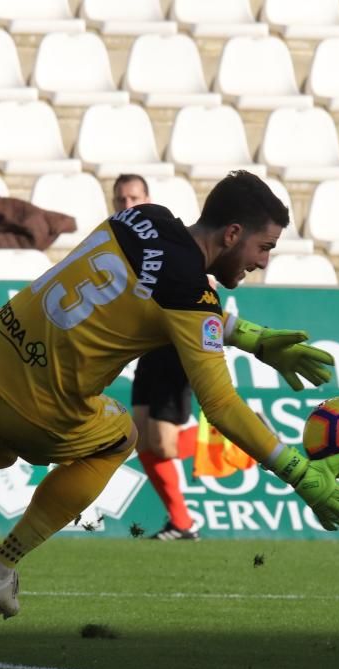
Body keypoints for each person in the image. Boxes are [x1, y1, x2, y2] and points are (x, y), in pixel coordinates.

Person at [0, 170, 339, 666]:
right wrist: (300, 474)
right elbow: (220, 404)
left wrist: (254, 337)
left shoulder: (142, 218)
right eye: (263, 247)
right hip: (40, 406)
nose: (262, 262)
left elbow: (154, 291)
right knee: (122, 436)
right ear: (232, 234)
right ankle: (2, 565)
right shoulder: (190, 295)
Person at [114, 173, 200, 541]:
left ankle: (233, 441)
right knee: (144, 442)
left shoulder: (165, 235)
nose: (127, 206)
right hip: (147, 350)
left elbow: (200, 275)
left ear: (148, 198)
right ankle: (181, 523)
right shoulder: (115, 241)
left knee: (163, 443)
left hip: (175, 347)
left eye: (134, 198)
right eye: (121, 200)